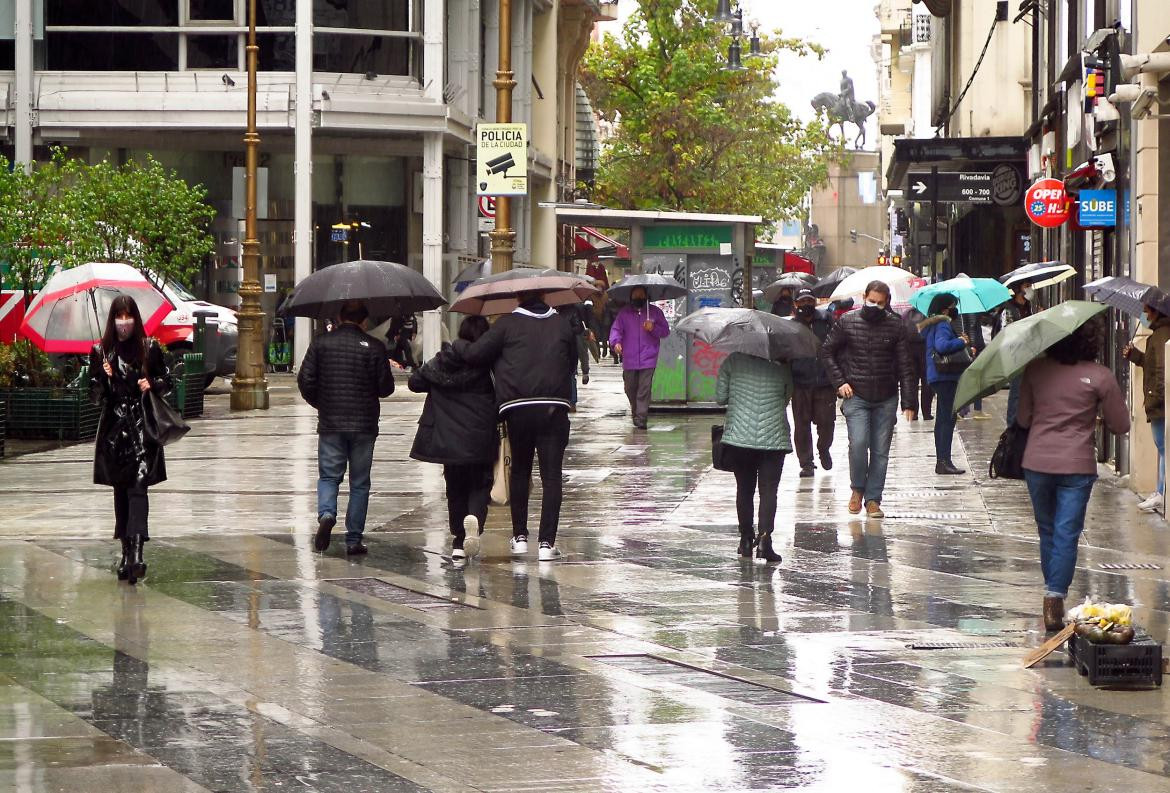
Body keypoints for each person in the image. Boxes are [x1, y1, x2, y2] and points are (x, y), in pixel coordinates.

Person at [1018, 318, 1129, 630]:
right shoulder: (1100, 376)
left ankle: (1052, 593)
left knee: (1048, 530)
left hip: (1037, 462)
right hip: (1077, 465)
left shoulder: (1035, 370)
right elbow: (1120, 425)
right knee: (1067, 532)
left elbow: (1024, 419)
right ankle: (1054, 596)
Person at [455, 291, 576, 561]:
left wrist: (457, 345)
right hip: (554, 407)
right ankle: (547, 544)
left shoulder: (506, 325)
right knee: (552, 476)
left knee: (520, 472)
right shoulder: (561, 324)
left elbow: (476, 354)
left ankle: (520, 537)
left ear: (518, 297)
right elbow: (572, 362)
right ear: (545, 295)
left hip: (517, 408)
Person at [298, 300, 395, 555]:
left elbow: (305, 379)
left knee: (329, 476)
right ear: (364, 322)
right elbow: (386, 388)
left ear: (340, 318)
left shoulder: (321, 343)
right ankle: (353, 539)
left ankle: (327, 514)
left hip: (331, 422)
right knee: (360, 483)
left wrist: (321, 403)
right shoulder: (375, 347)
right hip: (364, 424)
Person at [89, 296, 173, 585]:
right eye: (119, 316)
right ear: (113, 319)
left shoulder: (149, 348)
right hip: (114, 432)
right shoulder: (101, 351)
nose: (124, 322)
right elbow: (94, 396)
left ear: (136, 318)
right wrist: (102, 374)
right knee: (120, 492)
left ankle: (137, 553)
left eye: (129, 316)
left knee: (138, 487)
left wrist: (153, 383)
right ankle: (126, 552)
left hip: (142, 429)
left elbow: (169, 380)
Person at [821, 280, 916, 519]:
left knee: (881, 451)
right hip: (856, 394)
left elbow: (905, 364)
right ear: (864, 297)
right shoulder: (848, 322)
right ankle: (857, 489)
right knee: (859, 444)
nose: (874, 306)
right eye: (871, 300)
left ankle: (873, 499)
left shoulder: (895, 326)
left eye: (880, 303)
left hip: (886, 396)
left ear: (887, 303)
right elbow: (826, 351)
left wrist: (909, 401)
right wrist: (840, 382)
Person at [409, 316, 497, 563]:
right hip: (480, 435)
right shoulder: (489, 362)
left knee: (455, 488)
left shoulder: (444, 360)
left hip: (447, 438)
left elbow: (415, 382)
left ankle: (459, 542)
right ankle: (474, 526)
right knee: (480, 485)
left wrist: (431, 366)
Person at [716, 352, 791, 563]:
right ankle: (765, 541)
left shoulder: (732, 361)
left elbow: (720, 397)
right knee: (769, 490)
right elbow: (785, 399)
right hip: (774, 437)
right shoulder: (782, 366)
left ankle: (746, 540)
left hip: (740, 438)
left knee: (744, 488)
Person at [1124, 302, 1170, 513]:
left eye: (1146, 310)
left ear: (1155, 312)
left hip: (1158, 403)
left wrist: (1155, 397)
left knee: (1162, 447)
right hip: (1157, 400)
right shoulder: (1157, 335)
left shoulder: (1161, 336)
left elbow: (1160, 370)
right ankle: (1160, 491)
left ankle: (1160, 492)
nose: (1143, 314)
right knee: (1161, 447)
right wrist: (1134, 356)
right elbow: (1151, 364)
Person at [919, 293, 970, 475]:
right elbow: (941, 346)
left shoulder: (933, 323)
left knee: (942, 419)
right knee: (947, 419)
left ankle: (942, 460)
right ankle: (944, 461)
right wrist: (961, 341)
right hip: (945, 376)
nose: (954, 309)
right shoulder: (942, 323)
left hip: (938, 376)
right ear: (944, 309)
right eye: (952, 306)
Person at [609, 286, 670, 429]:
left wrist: (653, 328)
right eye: (635, 295)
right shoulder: (624, 313)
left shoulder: (655, 312)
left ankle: (641, 417)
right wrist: (616, 343)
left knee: (644, 388)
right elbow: (616, 330)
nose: (638, 297)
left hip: (649, 357)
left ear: (646, 296)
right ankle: (636, 411)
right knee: (630, 388)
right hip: (629, 358)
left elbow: (665, 331)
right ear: (630, 297)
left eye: (641, 295)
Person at [790, 289, 835, 477]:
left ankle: (823, 448)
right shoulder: (791, 327)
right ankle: (806, 463)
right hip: (800, 384)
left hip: (824, 382)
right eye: (802, 301)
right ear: (796, 304)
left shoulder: (826, 320)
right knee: (801, 425)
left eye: (810, 300)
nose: (806, 304)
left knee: (826, 423)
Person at [993, 282, 1034, 426]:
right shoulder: (1008, 309)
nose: (1030, 289)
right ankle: (1012, 425)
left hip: (1028, 354)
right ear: (1018, 290)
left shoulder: (1029, 307)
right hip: (1015, 356)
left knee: (1027, 391)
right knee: (1016, 391)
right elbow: (1007, 333)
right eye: (1026, 286)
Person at [903, 307, 934, 420]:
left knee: (913, 383)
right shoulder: (930, 313)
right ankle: (926, 413)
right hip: (926, 350)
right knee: (927, 382)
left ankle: (914, 413)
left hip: (910, 350)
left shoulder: (906, 314)